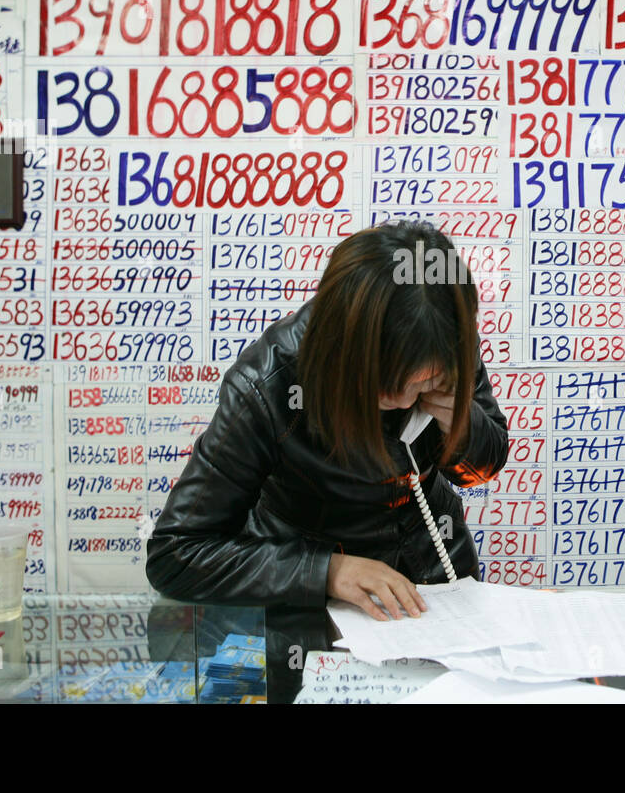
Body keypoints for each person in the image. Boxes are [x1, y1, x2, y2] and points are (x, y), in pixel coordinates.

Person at [145, 220, 509, 620]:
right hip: (307, 600)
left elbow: (483, 467)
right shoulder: (268, 383)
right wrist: (326, 572)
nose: (404, 399)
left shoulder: (443, 337)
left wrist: (457, 416)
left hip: (434, 578)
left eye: (423, 382)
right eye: (384, 383)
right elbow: (176, 553)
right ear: (342, 344)